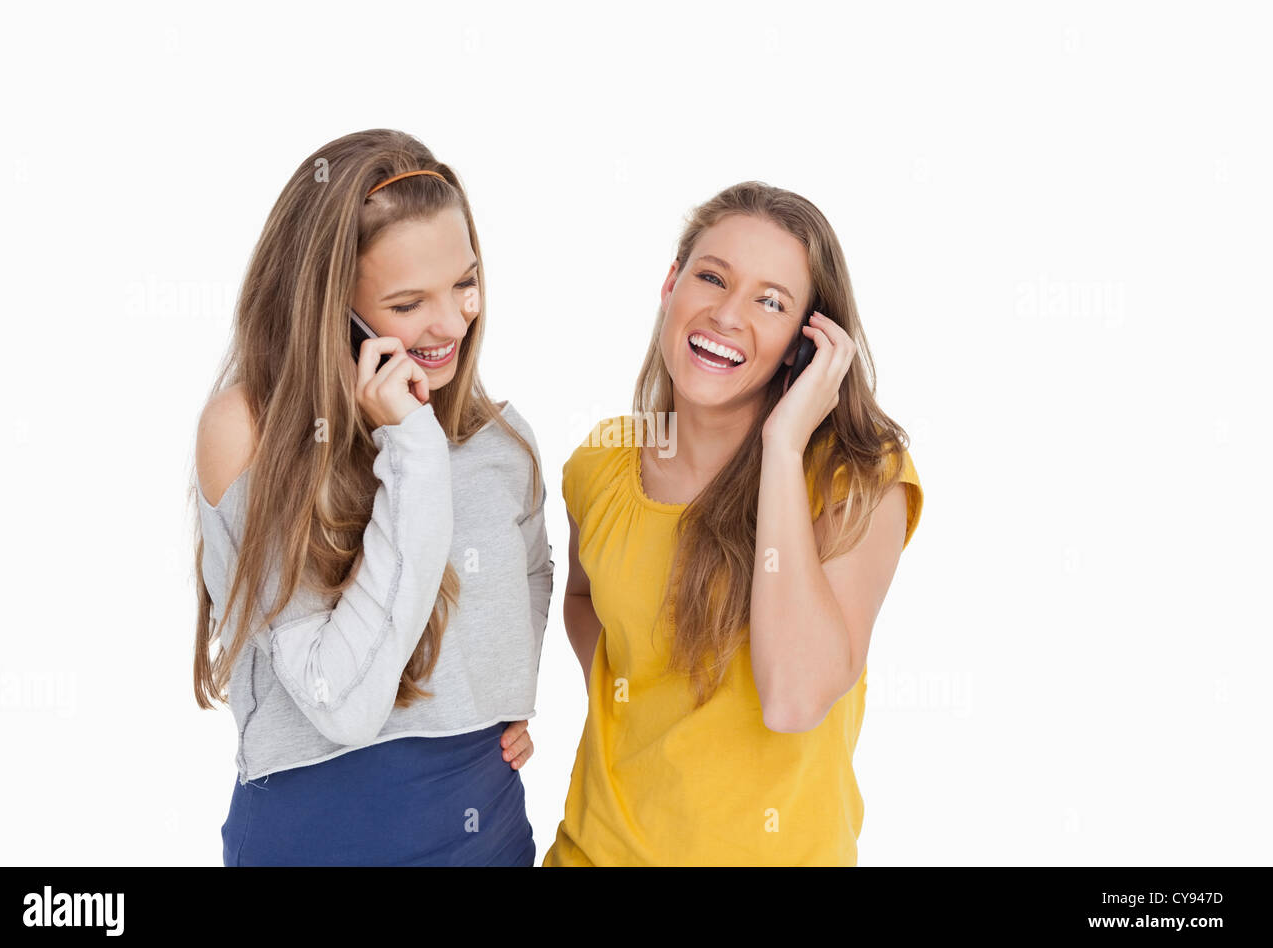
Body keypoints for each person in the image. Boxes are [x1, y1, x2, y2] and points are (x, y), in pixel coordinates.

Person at [191, 129, 552, 866]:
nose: (451, 323)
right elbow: (340, 701)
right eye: (408, 301)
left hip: (485, 838)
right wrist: (410, 448)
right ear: (332, 307)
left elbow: (534, 579)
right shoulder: (249, 429)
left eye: (464, 283)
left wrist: (503, 693)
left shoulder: (501, 441)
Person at [544, 181, 923, 866]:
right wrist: (634, 694)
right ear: (671, 283)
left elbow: (794, 700)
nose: (726, 314)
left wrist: (782, 448)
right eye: (712, 277)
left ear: (808, 343)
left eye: (770, 301)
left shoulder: (857, 481)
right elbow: (581, 597)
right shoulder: (601, 464)